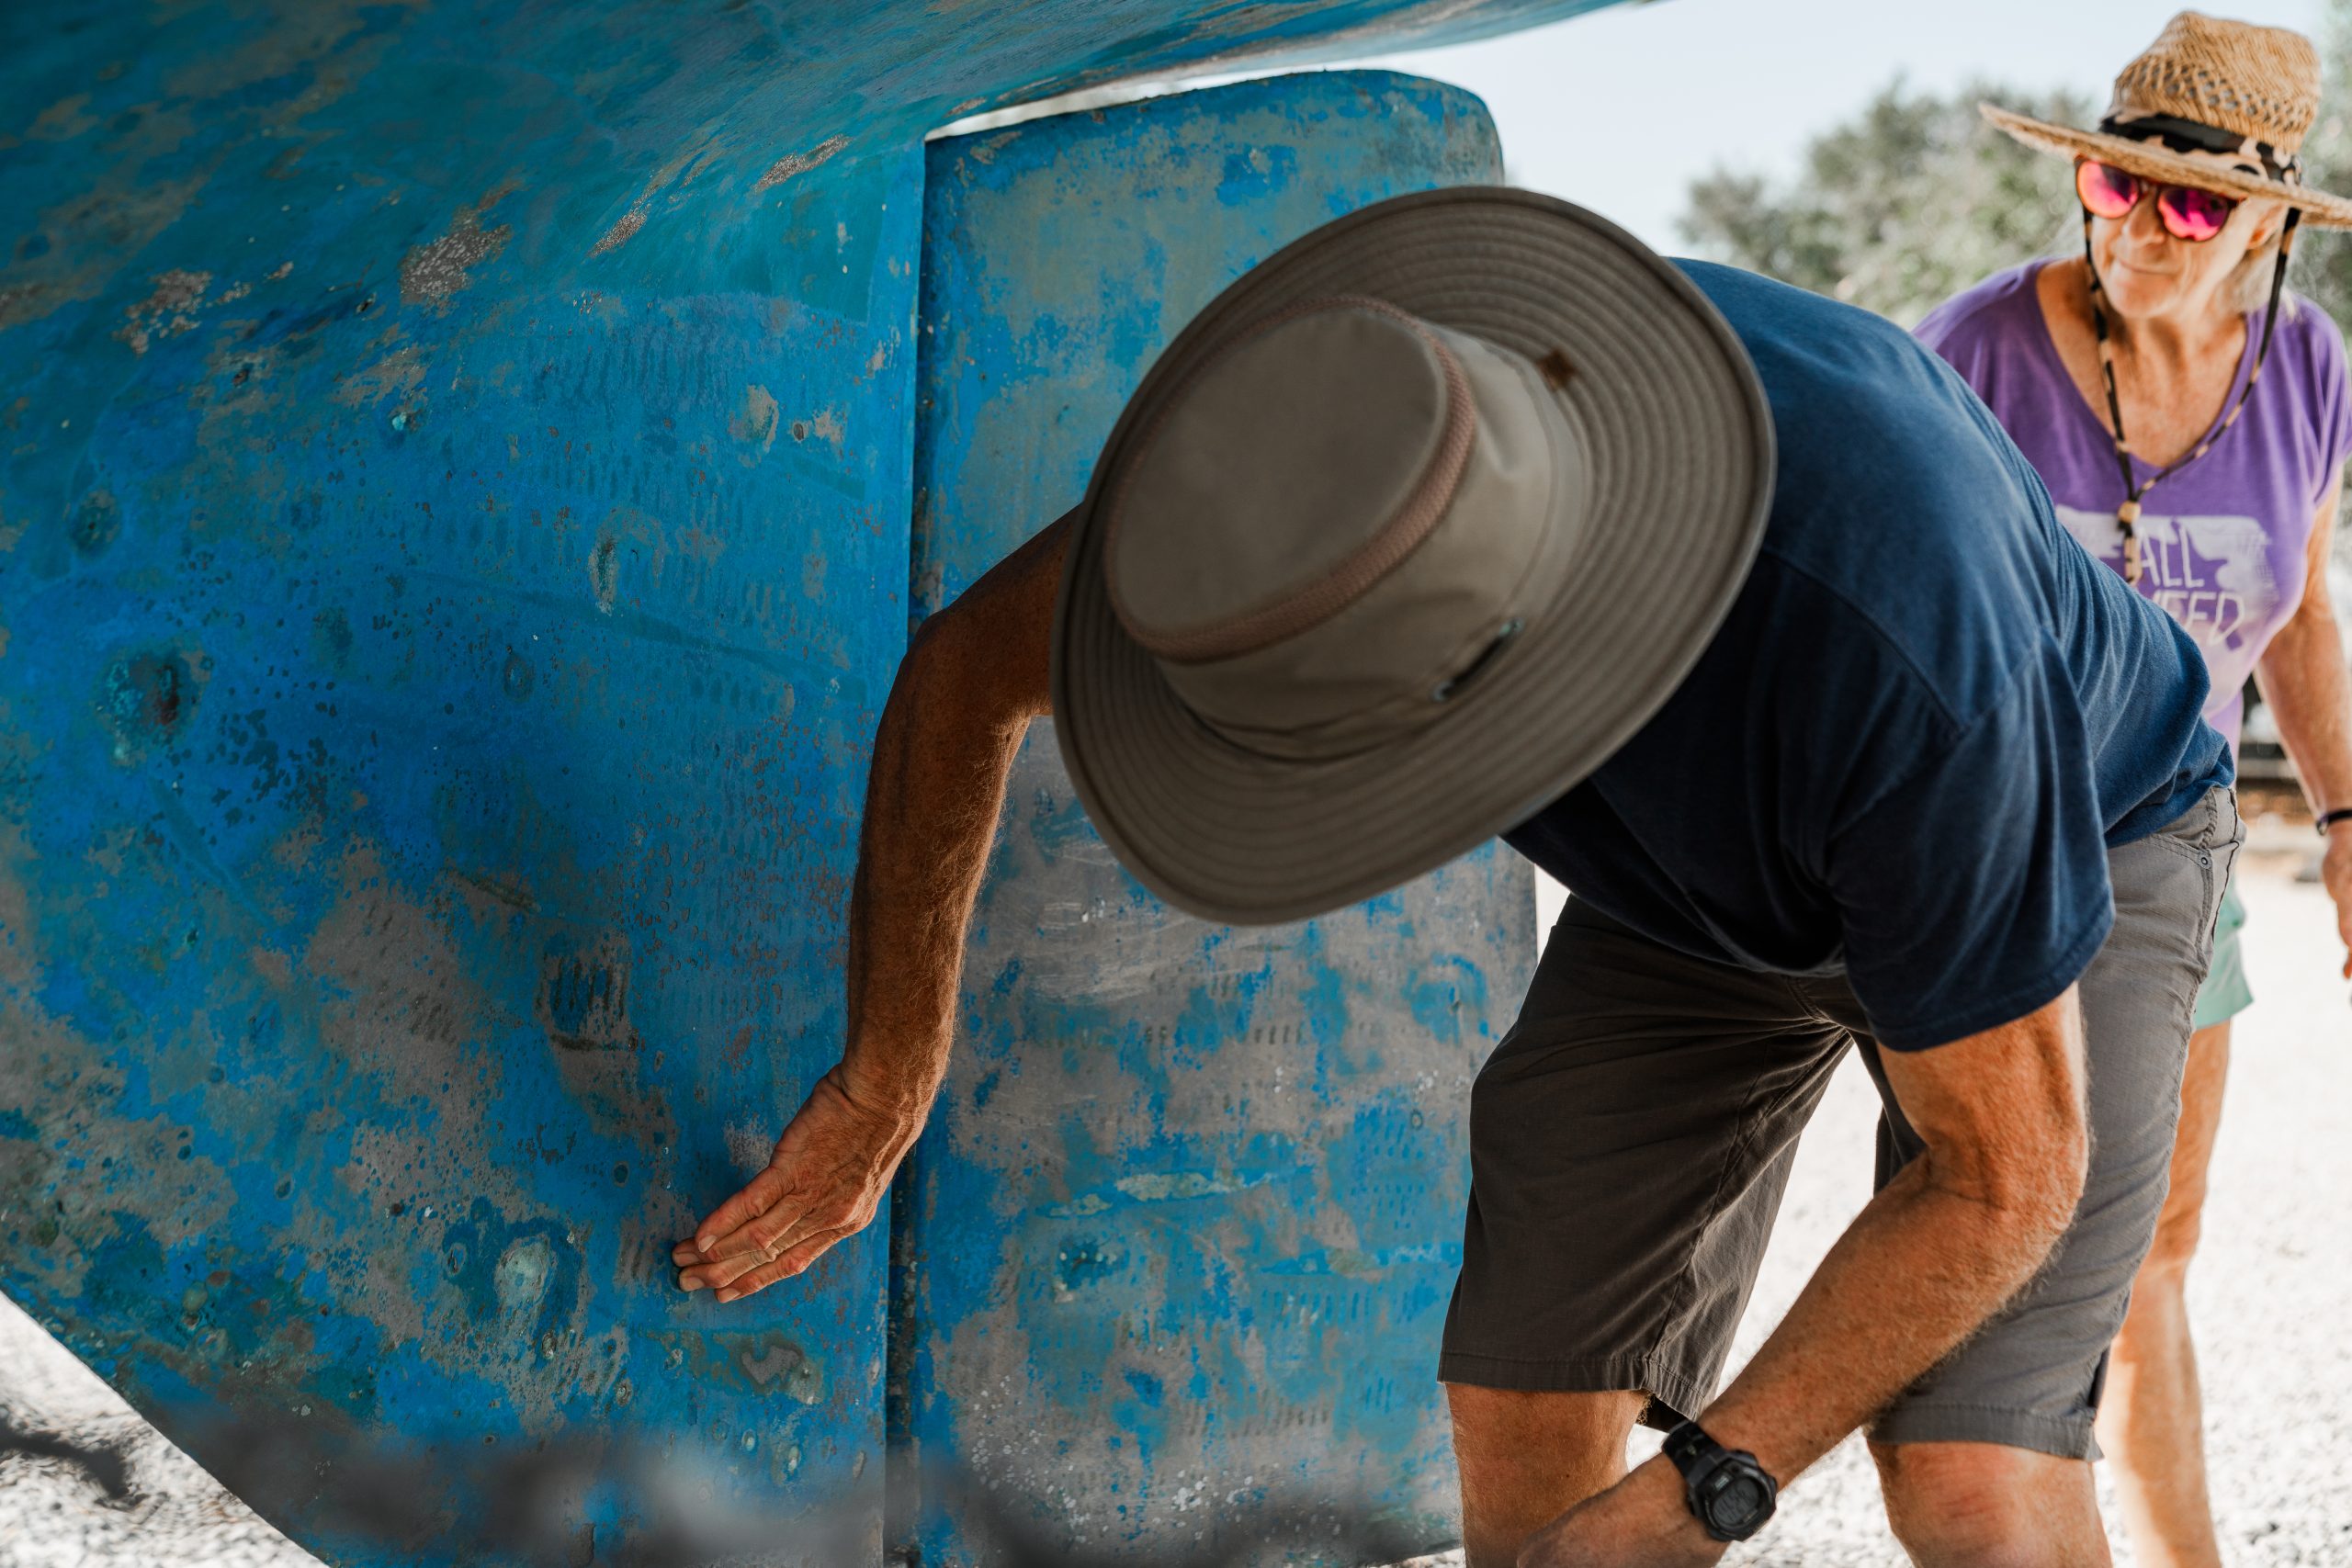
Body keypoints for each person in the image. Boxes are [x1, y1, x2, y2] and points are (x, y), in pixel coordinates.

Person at [670, 186, 2240, 1564]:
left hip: (2071, 832)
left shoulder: (1899, 644)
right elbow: (965, 671)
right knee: (1525, 1397)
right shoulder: (1309, 479)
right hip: (1707, 887)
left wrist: (1702, 1495)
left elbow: (2004, 1180)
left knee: (1971, 1483)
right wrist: (887, 1078)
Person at [1917, 16, 2352, 1565]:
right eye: (2116, 184)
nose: (2140, 229)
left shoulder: (2308, 366)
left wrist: (2348, 825)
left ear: (2266, 229)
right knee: (2004, 1225)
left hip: (2183, 850)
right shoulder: (1974, 350)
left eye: (2189, 203)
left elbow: (2297, 615)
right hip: (1990, 849)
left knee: (2156, 1247)